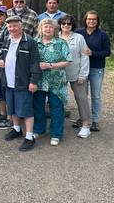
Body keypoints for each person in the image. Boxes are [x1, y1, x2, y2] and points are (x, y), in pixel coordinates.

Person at [0, 16, 42, 152]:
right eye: (10, 27)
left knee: (26, 110)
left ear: (21, 26)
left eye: (15, 26)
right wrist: (0, 61)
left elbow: (35, 63)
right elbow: (2, 56)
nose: (12, 29)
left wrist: (33, 81)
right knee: (12, 108)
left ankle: (29, 137)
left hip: (23, 82)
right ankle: (17, 130)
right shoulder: (7, 40)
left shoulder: (30, 42)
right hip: (8, 82)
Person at [33, 18, 72, 146]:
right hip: (39, 80)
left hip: (57, 81)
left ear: (55, 29)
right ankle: (39, 129)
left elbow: (67, 61)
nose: (48, 29)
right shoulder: (34, 43)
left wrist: (49, 65)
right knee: (38, 106)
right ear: (41, 29)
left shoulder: (61, 43)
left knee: (56, 107)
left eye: (50, 27)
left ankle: (56, 134)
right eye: (45, 27)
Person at [76, 10, 111, 132]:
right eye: (89, 19)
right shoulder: (79, 33)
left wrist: (93, 53)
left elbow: (107, 52)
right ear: (85, 20)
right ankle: (82, 118)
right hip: (81, 69)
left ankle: (95, 121)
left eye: (94, 19)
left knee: (95, 95)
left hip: (96, 68)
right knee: (82, 95)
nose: (91, 21)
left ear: (97, 21)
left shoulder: (102, 35)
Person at [58, 15, 91, 138]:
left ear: (72, 25)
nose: (66, 26)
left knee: (81, 98)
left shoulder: (79, 38)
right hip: (58, 74)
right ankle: (58, 124)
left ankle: (86, 124)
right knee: (58, 99)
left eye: (69, 24)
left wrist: (83, 74)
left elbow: (84, 56)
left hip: (76, 74)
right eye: (63, 23)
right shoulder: (56, 37)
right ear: (60, 24)